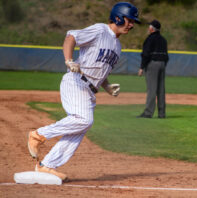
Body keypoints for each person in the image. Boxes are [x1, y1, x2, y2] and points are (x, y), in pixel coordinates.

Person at [27, 2, 140, 181]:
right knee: (83, 119)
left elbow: (99, 71)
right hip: (76, 82)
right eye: (129, 20)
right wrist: (69, 60)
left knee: (79, 128)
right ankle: (38, 135)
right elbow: (71, 36)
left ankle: (47, 166)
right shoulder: (100, 30)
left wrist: (107, 87)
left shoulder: (117, 47)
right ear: (118, 16)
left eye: (133, 22)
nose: (132, 24)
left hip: (89, 90)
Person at [137, 19, 169, 119]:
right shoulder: (163, 40)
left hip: (152, 64)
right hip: (162, 64)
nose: (148, 28)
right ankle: (161, 113)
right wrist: (163, 64)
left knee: (152, 89)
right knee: (161, 89)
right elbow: (166, 56)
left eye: (149, 26)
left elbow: (146, 54)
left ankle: (148, 113)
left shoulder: (150, 39)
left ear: (152, 29)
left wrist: (142, 67)